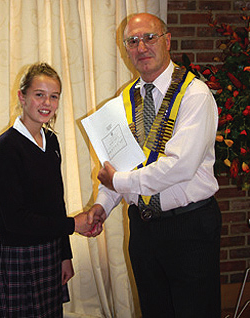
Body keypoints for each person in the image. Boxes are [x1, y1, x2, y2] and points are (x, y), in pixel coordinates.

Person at [88, 13, 222, 317]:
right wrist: (102, 206)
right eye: (132, 41)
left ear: (168, 40)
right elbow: (120, 166)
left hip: (189, 229)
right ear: (126, 49)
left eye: (150, 37)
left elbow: (179, 167)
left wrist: (118, 182)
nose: (141, 47)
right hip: (144, 229)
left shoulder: (195, 95)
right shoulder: (125, 98)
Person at [0, 62, 101, 318]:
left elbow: (54, 203)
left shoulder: (52, 141)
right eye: (39, 94)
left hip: (49, 255)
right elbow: (15, 221)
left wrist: (64, 254)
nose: (47, 102)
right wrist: (72, 225)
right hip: (18, 258)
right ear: (22, 97)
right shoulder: (4, 150)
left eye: (54, 96)